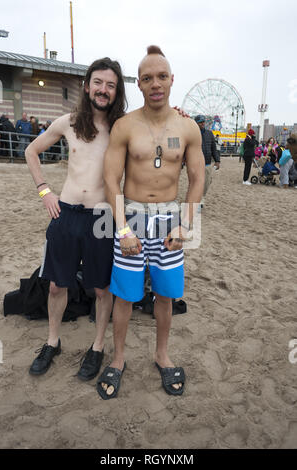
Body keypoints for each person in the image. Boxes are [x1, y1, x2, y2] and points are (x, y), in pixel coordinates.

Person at [98, 45, 205, 399]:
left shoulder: (188, 127)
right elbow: (111, 180)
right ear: (139, 84)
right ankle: (118, 358)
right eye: (147, 78)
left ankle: (162, 355)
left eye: (161, 77)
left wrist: (186, 224)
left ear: (172, 80)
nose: (155, 84)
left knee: (164, 294)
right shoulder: (125, 126)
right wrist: (123, 229)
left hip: (170, 222)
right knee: (125, 296)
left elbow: (198, 177)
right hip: (131, 217)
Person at [25, 57, 127, 380]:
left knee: (101, 288)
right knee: (56, 286)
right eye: (98, 82)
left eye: (110, 85)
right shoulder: (68, 121)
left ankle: (97, 347)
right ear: (86, 85)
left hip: (102, 216)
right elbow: (31, 151)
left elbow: (159, 124)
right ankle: (52, 341)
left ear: (117, 91)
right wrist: (45, 191)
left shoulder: (122, 127)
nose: (103, 89)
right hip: (65, 212)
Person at [194, 114, 220, 207]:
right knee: (196, 182)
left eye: (203, 122)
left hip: (207, 163)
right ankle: (197, 199)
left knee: (207, 182)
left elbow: (214, 148)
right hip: (195, 163)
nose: (202, 124)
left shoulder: (209, 134)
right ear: (196, 123)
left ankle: (202, 197)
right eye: (200, 122)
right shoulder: (192, 134)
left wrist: (217, 161)